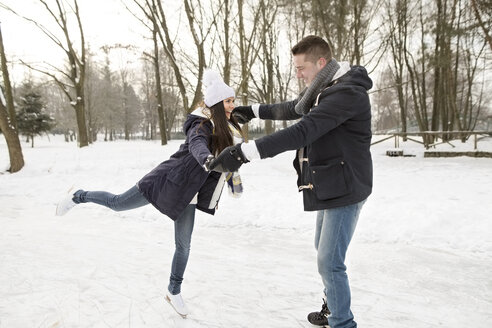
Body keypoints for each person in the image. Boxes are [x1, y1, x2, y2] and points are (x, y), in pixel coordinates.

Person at [209, 35, 373, 328]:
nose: (297, 74)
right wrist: (254, 110)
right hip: (331, 182)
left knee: (329, 261)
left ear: (321, 63)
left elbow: (303, 130)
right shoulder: (325, 88)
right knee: (324, 251)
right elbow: (293, 108)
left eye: (301, 68)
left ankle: (342, 322)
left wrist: (243, 153)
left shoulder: (346, 94)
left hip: (345, 186)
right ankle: (333, 305)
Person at [55, 69, 244, 319]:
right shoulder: (200, 126)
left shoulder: (225, 129)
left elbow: (225, 161)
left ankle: (173, 291)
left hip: (187, 193)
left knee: (183, 245)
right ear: (217, 104)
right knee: (117, 203)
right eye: (229, 101)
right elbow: (198, 145)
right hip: (165, 180)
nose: (233, 105)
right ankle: (78, 195)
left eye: (233, 100)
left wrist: (232, 179)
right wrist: (207, 159)